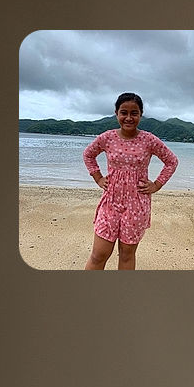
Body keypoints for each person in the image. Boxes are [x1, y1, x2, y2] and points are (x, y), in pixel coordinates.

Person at [82, 93, 177, 270]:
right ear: (116, 113)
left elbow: (171, 161)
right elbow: (88, 155)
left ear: (140, 114)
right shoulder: (107, 138)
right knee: (98, 254)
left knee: (126, 255)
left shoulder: (149, 140)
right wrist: (98, 178)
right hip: (110, 202)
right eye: (123, 112)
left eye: (134, 113)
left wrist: (156, 184)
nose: (128, 117)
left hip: (137, 204)